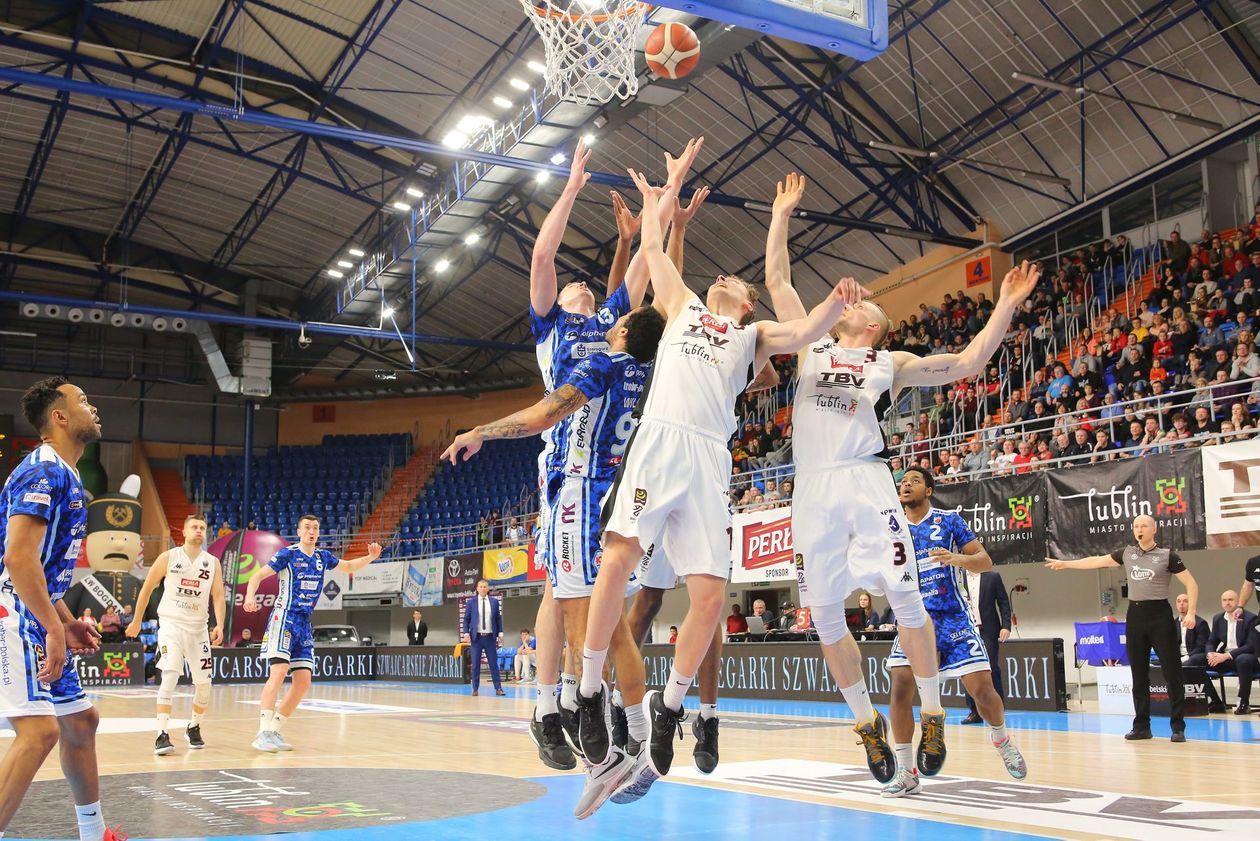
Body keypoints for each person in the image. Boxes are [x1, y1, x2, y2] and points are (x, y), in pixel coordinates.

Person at [575, 155, 866, 801]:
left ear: (747, 299)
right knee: (617, 560)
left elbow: (808, 328)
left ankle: (675, 706)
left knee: (710, 593)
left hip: (709, 458)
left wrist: (833, 302)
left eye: (735, 277)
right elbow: (653, 244)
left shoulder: (754, 333)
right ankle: (591, 691)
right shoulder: (679, 302)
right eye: (722, 274)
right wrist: (667, 190)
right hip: (660, 442)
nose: (724, 276)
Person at [762, 172, 1042, 782]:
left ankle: (935, 714)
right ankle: (867, 728)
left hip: (865, 481)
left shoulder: (891, 362)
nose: (845, 303)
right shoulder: (811, 344)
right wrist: (782, 212)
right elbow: (777, 281)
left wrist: (1004, 306)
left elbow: (969, 361)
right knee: (826, 617)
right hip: (810, 488)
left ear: (869, 324)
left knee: (907, 596)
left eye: (855, 306)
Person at [442, 303, 668, 794]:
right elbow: (661, 304)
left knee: (578, 616)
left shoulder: (607, 363)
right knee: (614, 626)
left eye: (618, 321)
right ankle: (630, 737)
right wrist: (649, 235)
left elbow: (545, 414)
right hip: (625, 499)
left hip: (581, 494)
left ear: (624, 331)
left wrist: (481, 431)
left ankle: (592, 738)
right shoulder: (655, 371)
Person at [517, 137, 663, 782]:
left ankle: (577, 699)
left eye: (586, 283)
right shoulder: (553, 325)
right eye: (573, 286)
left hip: (608, 476)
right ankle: (554, 706)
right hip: (563, 467)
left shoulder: (608, 324)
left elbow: (638, 277)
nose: (580, 283)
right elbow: (544, 253)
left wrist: (654, 213)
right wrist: (571, 184)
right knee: (561, 594)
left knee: (588, 600)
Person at [0, 377, 121, 841]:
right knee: (38, 733)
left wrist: (66, 623)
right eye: (83, 401)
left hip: (34, 608)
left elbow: (43, 573)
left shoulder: (65, 475)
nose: (93, 407)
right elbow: (17, 558)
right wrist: (53, 628)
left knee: (80, 721)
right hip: (12, 611)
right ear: (60, 417)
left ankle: (94, 833)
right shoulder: (44, 469)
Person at [884, 468, 1026, 797]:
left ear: (929, 490)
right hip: (912, 618)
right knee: (900, 688)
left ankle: (1002, 739)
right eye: (903, 481)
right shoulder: (892, 527)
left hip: (954, 619)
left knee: (983, 691)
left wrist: (955, 558)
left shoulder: (949, 521)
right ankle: (907, 771)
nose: (906, 484)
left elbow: (985, 561)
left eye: (915, 480)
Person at [1046, 515, 1198, 741]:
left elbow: (1191, 583)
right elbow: (1096, 561)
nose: (1139, 529)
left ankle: (1177, 727)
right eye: (1136, 526)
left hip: (1160, 615)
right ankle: (1142, 726)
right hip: (1135, 615)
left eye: (1144, 525)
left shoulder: (1167, 556)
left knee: (1172, 672)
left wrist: (1192, 612)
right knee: (1138, 673)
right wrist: (1066, 564)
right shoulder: (1127, 553)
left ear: (1154, 529)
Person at [242, 515, 380, 752]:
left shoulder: (322, 557)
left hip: (304, 623)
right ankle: (262, 731)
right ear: (298, 531)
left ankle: (274, 731)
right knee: (279, 672)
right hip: (284, 618)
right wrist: (249, 597)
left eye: (315, 527)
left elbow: (347, 567)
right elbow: (256, 576)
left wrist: (370, 557)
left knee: (303, 682)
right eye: (307, 527)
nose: (312, 531)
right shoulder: (287, 554)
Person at [126, 513, 226, 755]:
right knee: (170, 675)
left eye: (202, 527)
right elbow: (147, 588)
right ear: (183, 532)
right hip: (171, 625)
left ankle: (193, 726)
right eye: (194, 527)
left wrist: (220, 624)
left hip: (199, 629)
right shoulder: (169, 557)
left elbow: (219, 596)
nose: (199, 530)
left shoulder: (212, 562)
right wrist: (137, 620)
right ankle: (162, 734)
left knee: (204, 684)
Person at [961, 569, 1012, 725]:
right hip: (966, 631)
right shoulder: (958, 577)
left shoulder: (993, 577)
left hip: (988, 630)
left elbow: (1003, 602)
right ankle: (974, 711)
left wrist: (1006, 626)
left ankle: (998, 709)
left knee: (991, 668)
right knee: (968, 669)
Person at [1202, 591, 1257, 713]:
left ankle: (1243, 703)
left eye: (1230, 600)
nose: (1227, 603)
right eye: (1224, 600)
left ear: (1238, 602)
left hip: (1246, 659)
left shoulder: (1250, 618)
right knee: (1195, 661)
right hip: (1225, 659)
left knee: (1243, 659)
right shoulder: (1218, 619)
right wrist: (1210, 653)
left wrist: (1227, 655)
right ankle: (1216, 702)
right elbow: (1211, 642)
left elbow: (1251, 646)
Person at [1174, 593, 1223, 713]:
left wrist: (1186, 657)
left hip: (1196, 656)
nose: (1181, 604)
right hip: (1179, 657)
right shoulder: (1173, 624)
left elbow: (1202, 646)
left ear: (1191, 604)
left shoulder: (1200, 623)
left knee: (1191, 664)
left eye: (1185, 601)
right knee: (1157, 664)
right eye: (1179, 601)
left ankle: (1215, 702)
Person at [462, 579, 505, 697]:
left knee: (493, 664)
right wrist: (466, 633)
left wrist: (500, 633)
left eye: (485, 587)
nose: (482, 589)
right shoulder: (471, 602)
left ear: (488, 588)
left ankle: (498, 688)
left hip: (490, 637)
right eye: (480, 587)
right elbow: (466, 619)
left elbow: (498, 619)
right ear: (477, 588)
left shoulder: (494, 602)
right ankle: (475, 688)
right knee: (475, 665)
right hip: (476, 638)